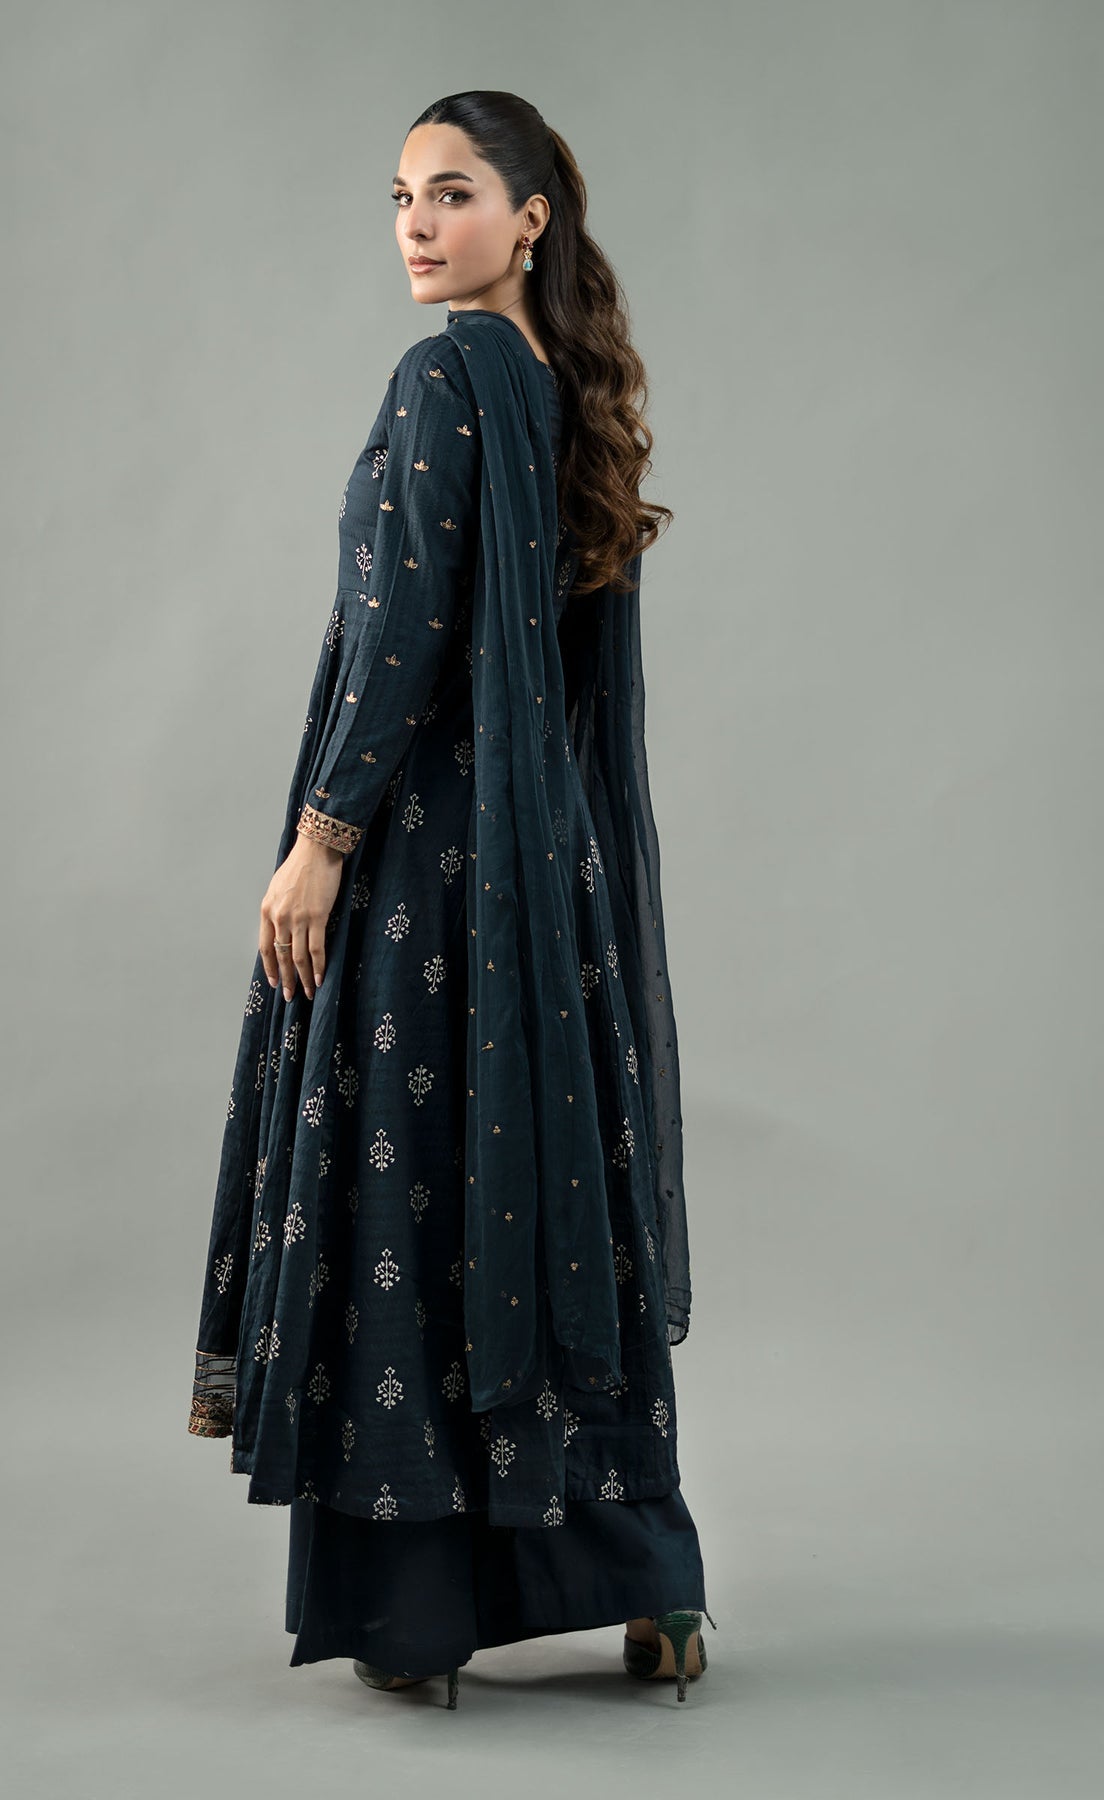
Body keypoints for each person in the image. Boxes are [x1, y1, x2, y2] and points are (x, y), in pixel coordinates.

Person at [187, 88, 717, 1709]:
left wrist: (322, 839)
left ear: (531, 217)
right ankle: (650, 1587)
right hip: (544, 878)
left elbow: (405, 630)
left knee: (414, 1202)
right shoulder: (569, 393)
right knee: (539, 1206)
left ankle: (416, 1615)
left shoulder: (446, 377)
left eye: (455, 192)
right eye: (402, 197)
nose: (417, 225)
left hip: (428, 869)